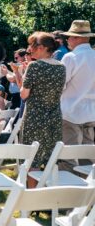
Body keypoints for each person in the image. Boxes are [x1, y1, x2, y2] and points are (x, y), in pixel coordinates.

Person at [19, 32, 65, 173]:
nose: (30, 49)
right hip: (54, 117)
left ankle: (33, 194)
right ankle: (48, 192)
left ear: (43, 47)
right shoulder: (61, 67)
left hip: (35, 117)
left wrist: (24, 73)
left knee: (32, 159)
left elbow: (24, 94)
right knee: (50, 160)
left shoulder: (34, 66)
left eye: (33, 45)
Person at [59, 20, 95, 161]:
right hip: (91, 112)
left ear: (77, 38)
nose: (67, 40)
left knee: (69, 157)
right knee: (88, 157)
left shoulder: (71, 57)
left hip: (71, 113)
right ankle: (89, 183)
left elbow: (60, 85)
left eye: (69, 36)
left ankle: (68, 183)